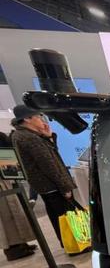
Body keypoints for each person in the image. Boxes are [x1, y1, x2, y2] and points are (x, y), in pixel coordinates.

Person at [10, 105, 78, 246]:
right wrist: (64, 186)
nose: (42, 119)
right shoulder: (29, 138)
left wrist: (48, 137)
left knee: (58, 215)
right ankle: (73, 244)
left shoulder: (23, 135)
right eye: (38, 116)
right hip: (51, 184)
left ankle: (69, 243)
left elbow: (52, 155)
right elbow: (49, 164)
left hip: (46, 185)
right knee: (64, 214)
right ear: (27, 119)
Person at [0, 132, 37, 260]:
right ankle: (13, 249)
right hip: (2, 183)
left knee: (15, 213)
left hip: (7, 177)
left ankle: (21, 242)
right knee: (6, 217)